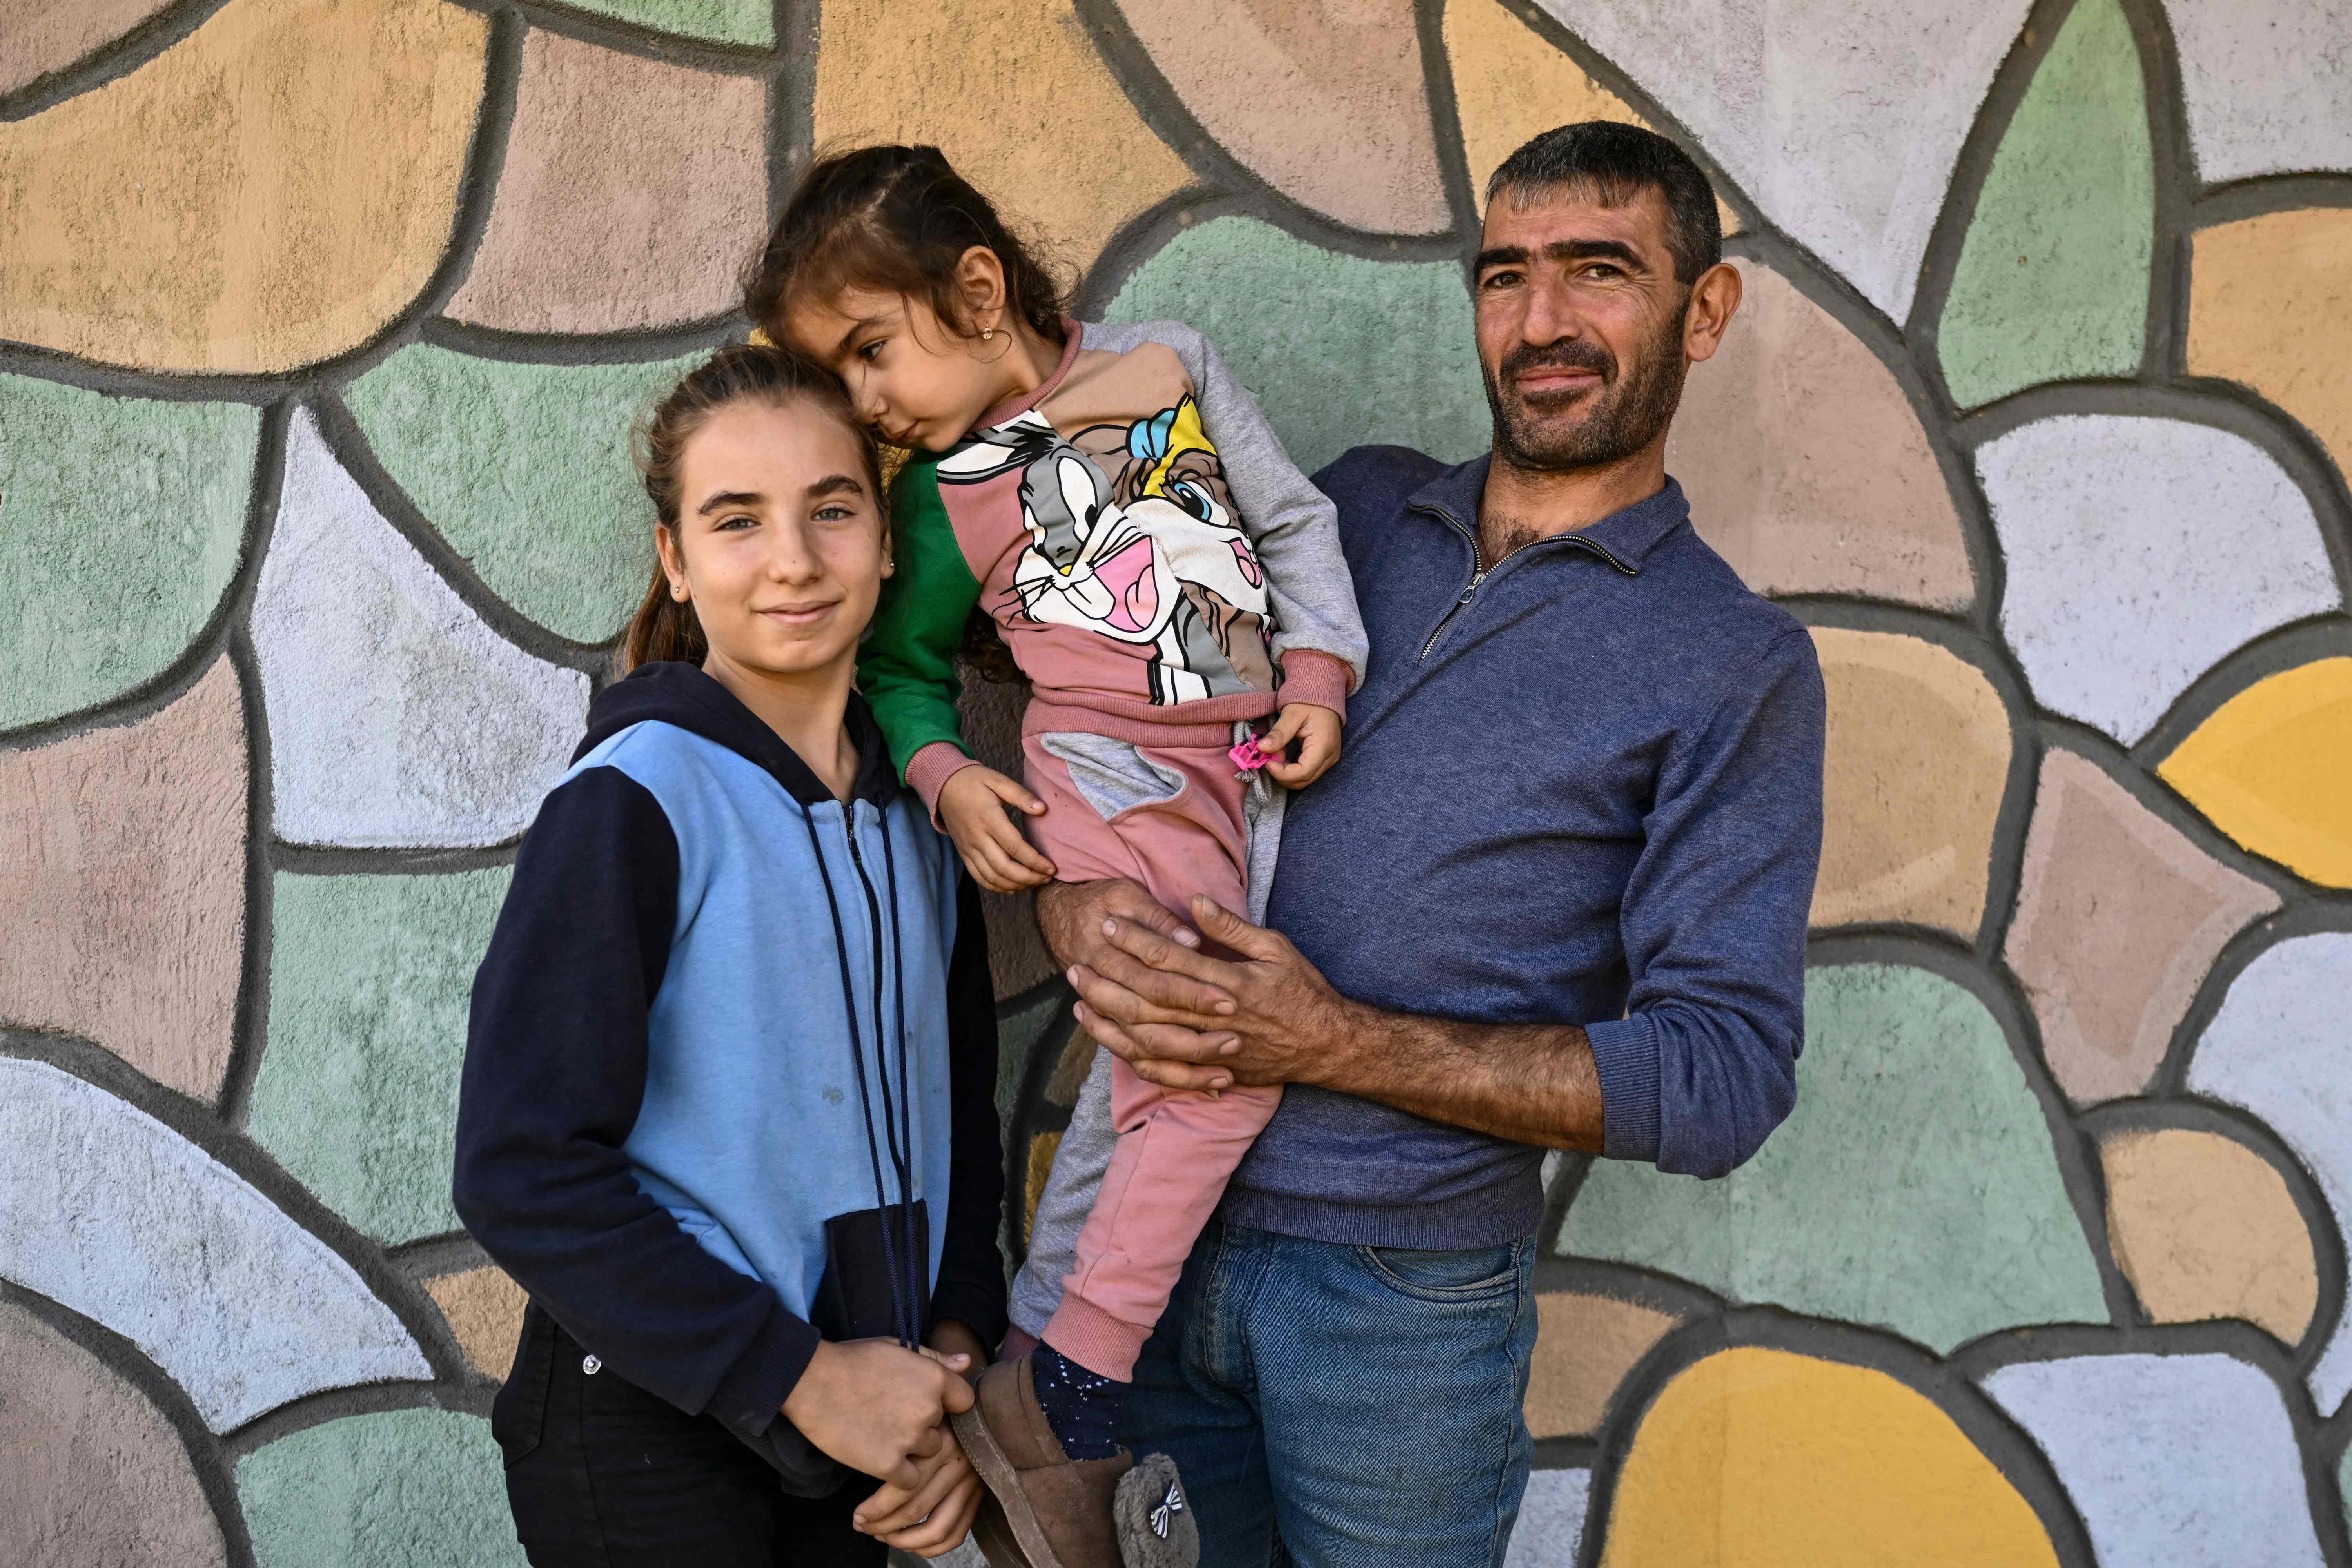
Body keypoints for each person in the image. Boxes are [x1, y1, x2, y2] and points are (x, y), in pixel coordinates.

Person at [1014, 121, 1829, 1567]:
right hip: (1145, 1235)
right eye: (1504, 275)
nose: (1542, 322)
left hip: (1399, 1306)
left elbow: (1723, 1074)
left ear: (1706, 312)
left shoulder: (1730, 659)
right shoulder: (1355, 507)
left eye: (1601, 272)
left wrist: (1328, 1042)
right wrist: (1078, 904)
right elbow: (1123, 688)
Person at [750, 145, 1368, 1567]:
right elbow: (900, 670)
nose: (864, 405)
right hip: (1102, 778)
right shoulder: (939, 499)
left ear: (976, 290)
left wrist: (1322, 671)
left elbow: (1292, 524)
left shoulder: (1168, 369)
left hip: (1239, 781)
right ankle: (1080, 1377)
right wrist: (951, 775)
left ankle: (1036, 1341)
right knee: (1215, 1057)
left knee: (1150, 1076)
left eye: (869, 353)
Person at [452, 344, 1005, 1565]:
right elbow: (518, 1165)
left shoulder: (925, 813)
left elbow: (964, 1109)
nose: (795, 561)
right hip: (653, 1435)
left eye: (832, 510)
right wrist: (800, 1374)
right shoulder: (633, 801)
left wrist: (954, 1362)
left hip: (874, 1432)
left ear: (886, 536)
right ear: (678, 562)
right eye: (737, 521)